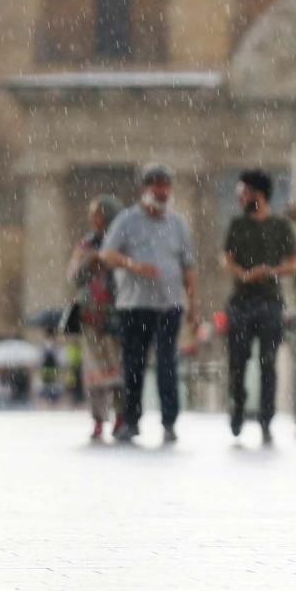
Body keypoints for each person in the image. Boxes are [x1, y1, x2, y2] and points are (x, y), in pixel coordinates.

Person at [100, 163, 199, 445]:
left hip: (169, 305)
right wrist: (132, 264)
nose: (161, 191)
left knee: (168, 364)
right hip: (134, 305)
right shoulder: (127, 221)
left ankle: (169, 422)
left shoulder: (178, 224)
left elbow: (188, 267)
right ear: (144, 189)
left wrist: (194, 303)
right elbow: (106, 255)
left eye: (165, 186)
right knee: (134, 364)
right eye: (156, 186)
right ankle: (131, 421)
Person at [221, 169, 296, 445]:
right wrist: (243, 274)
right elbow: (226, 259)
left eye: (245, 192)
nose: (241, 197)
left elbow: (293, 262)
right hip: (241, 303)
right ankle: (238, 409)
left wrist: (271, 271)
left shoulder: (280, 226)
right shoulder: (237, 225)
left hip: (270, 303)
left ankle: (267, 419)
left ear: (259, 194)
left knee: (269, 362)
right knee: (237, 363)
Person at [66, 195, 125, 440]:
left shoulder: (122, 242)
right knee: (93, 374)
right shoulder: (86, 244)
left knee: (119, 372)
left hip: (116, 315)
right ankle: (98, 419)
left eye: (97, 214)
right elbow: (72, 276)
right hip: (89, 315)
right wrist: (90, 262)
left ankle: (121, 417)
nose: (93, 219)